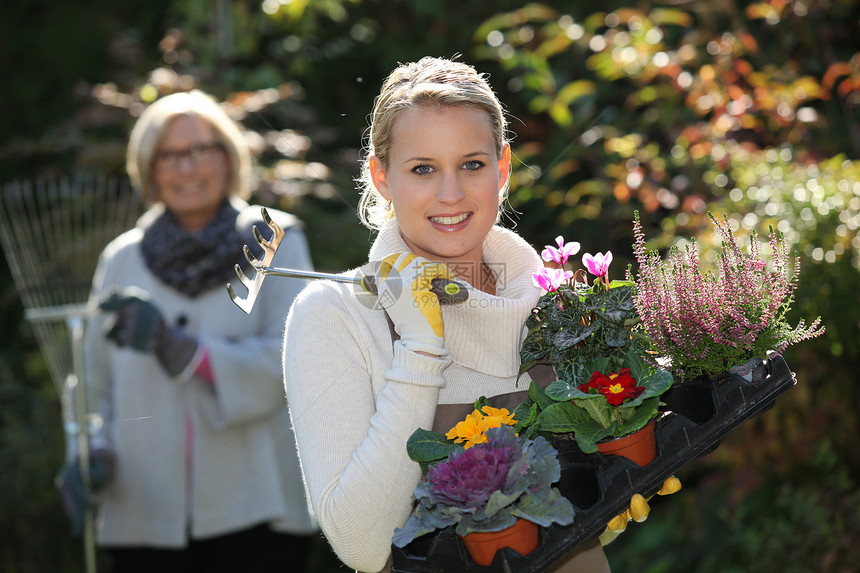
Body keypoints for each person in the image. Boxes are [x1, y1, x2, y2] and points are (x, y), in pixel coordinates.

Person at [282, 57, 612, 572]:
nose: (451, 194)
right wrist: (418, 349)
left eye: (472, 164)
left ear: (502, 168)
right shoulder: (337, 316)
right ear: (381, 175)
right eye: (423, 169)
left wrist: (619, 493)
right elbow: (364, 546)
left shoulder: (560, 304)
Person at [58, 89, 318, 573]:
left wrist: (185, 352)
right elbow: (92, 383)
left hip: (257, 508)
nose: (187, 168)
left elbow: (295, 360)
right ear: (149, 168)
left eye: (202, 150)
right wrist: (90, 449)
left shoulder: (275, 241)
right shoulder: (122, 258)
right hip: (142, 510)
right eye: (169, 155)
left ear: (228, 157)